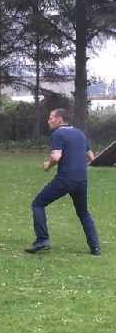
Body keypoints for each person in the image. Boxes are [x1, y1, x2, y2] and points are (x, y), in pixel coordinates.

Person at [25, 108, 101, 256]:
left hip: (65, 179)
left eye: (51, 118)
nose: (49, 121)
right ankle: (95, 247)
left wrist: (48, 165)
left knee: (38, 204)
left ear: (59, 120)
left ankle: (42, 239)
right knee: (83, 212)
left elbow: (56, 157)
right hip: (82, 180)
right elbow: (92, 157)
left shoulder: (58, 133)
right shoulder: (79, 133)